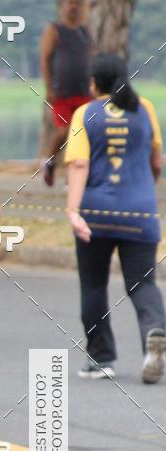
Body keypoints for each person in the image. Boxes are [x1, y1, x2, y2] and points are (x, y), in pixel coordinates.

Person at [65, 53, 166, 383]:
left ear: (94, 83)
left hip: (96, 213)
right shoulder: (145, 108)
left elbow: (79, 165)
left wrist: (72, 210)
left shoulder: (86, 113)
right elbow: (155, 162)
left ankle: (101, 358)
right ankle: (154, 332)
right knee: (143, 283)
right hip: (140, 212)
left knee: (93, 283)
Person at [40, 0, 93, 187]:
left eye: (77, 4)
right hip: (61, 92)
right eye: (70, 3)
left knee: (82, 134)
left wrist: (94, 85)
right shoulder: (54, 30)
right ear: (62, 6)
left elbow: (91, 59)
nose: (73, 7)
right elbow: (45, 60)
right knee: (63, 130)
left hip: (84, 92)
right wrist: (49, 88)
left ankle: (73, 176)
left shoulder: (84, 32)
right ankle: (49, 162)